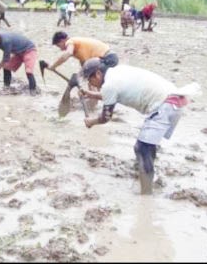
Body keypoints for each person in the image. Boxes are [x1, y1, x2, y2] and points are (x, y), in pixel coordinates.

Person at [77, 58, 200, 195]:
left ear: (98, 74)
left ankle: (146, 195)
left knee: (142, 148)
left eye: (89, 79)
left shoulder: (109, 85)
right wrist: (90, 94)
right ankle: (148, 178)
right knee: (147, 146)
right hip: (176, 99)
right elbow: (111, 95)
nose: (90, 83)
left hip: (165, 106)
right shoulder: (117, 71)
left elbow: (105, 117)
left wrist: (91, 122)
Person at [0, 26, 38, 93]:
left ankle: (33, 91)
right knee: (6, 67)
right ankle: (6, 87)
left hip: (29, 50)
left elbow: (5, 59)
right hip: (18, 53)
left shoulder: (6, 41)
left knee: (28, 71)